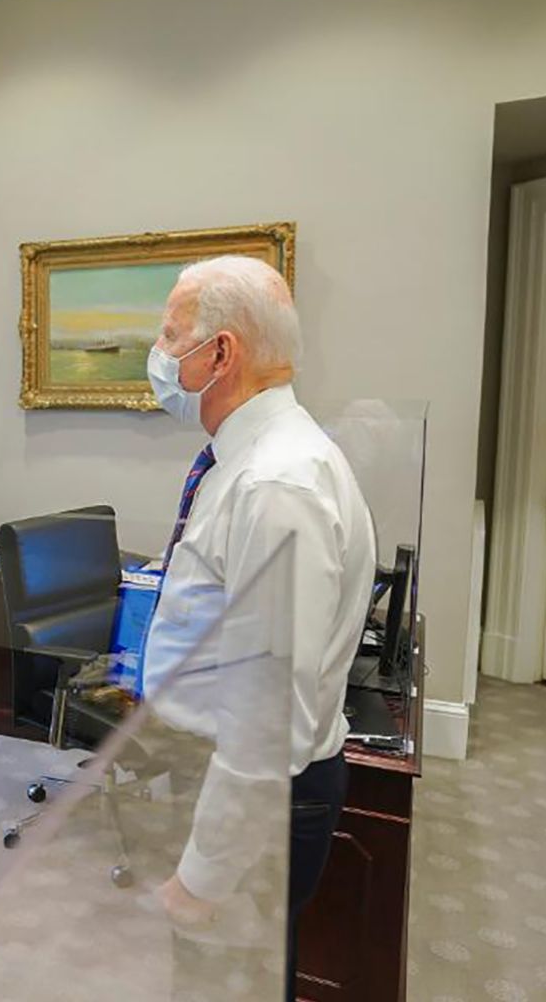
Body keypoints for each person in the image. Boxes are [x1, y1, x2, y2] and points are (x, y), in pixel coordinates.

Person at [142, 256, 376, 1000]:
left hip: (257, 798)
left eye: (171, 336)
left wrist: (202, 875)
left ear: (221, 354)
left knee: (223, 985)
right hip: (226, 782)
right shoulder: (247, 463)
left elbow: (264, 712)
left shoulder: (277, 482)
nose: (159, 354)